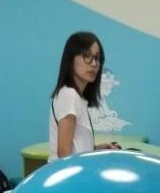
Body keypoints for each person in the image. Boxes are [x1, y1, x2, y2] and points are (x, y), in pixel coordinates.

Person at [49, 31, 117, 160]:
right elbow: (64, 154)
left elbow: (75, 149)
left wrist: (96, 149)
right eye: (87, 56)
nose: (94, 63)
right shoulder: (69, 95)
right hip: (68, 172)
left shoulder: (77, 97)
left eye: (97, 58)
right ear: (71, 60)